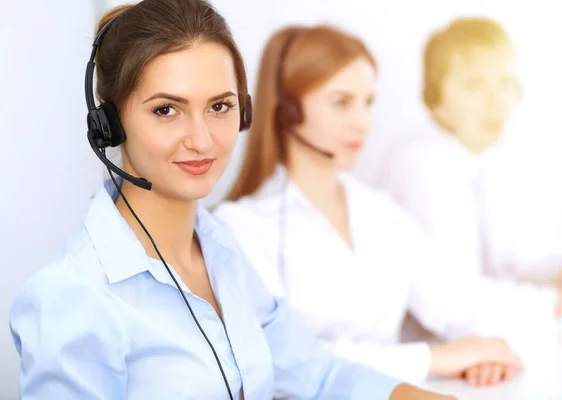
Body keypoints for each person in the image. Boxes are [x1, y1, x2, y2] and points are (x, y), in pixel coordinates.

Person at [7, 1, 456, 399]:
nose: (202, 140)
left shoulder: (221, 250)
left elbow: (317, 376)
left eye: (219, 106)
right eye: (167, 109)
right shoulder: (72, 296)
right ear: (109, 121)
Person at [213, 24, 540, 388]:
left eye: (368, 102)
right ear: (288, 110)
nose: (362, 122)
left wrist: (485, 351)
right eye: (342, 102)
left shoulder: (381, 213)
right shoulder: (243, 227)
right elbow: (284, 360)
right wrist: (433, 358)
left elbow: (457, 305)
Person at [368, 17, 562, 325]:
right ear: (434, 97)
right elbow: (454, 302)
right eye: (474, 85)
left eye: (504, 83)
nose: (496, 102)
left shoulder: (483, 158)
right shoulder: (420, 164)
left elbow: (521, 250)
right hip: (433, 355)